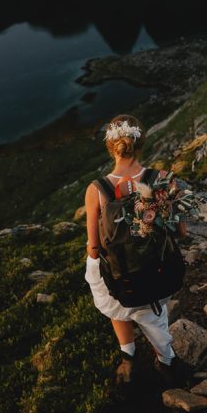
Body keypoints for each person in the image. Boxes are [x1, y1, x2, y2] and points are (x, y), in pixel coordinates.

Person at [84, 113, 178, 386]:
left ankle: (128, 356)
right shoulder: (160, 178)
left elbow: (93, 247)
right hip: (153, 267)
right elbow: (178, 231)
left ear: (111, 146)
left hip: (116, 271)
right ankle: (166, 361)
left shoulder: (96, 189)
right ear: (141, 143)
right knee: (153, 315)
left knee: (117, 307)